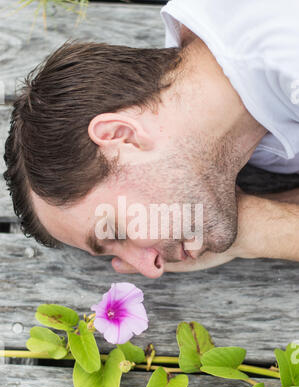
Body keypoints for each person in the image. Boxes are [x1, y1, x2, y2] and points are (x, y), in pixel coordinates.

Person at [3, 0, 299, 279]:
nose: (152, 269)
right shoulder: (238, 129)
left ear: (122, 136)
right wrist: (247, 225)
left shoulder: (285, 44)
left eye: (116, 232)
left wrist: (260, 232)